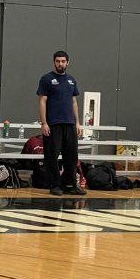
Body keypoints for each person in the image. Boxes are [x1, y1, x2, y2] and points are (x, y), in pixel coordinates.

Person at [37, 51, 82, 196]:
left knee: (71, 155)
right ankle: (54, 185)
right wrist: (44, 123)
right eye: (58, 61)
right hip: (53, 124)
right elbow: (42, 101)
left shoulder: (71, 80)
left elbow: (74, 102)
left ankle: (69, 185)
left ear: (67, 62)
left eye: (63, 61)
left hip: (69, 123)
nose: (60, 64)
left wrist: (77, 123)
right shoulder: (46, 79)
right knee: (52, 156)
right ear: (54, 62)